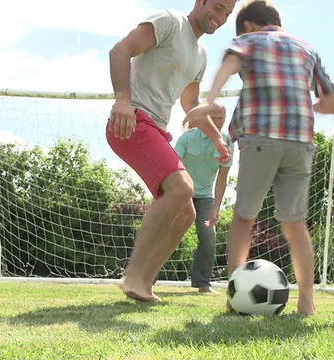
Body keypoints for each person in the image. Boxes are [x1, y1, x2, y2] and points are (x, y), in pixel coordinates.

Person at [185, 0, 334, 315]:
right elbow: (332, 102)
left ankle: (234, 298)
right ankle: (307, 302)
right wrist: (305, 108)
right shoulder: (307, 49)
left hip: (261, 138)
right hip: (300, 143)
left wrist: (210, 102)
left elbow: (227, 68)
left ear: (249, 26)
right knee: (295, 223)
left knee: (244, 217)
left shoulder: (248, 41)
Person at [106, 0, 237, 302]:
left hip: (157, 130)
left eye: (227, 14)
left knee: (186, 212)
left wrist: (217, 140)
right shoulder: (168, 22)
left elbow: (190, 105)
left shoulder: (200, 56)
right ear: (200, 2)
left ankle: (144, 283)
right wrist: (122, 100)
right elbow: (120, 50)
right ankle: (134, 274)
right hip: (132, 119)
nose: (220, 17)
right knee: (182, 187)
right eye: (217, 7)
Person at [174, 111, 234, 294]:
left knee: (209, 236)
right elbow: (173, 168)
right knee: (165, 232)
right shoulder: (186, 138)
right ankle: (146, 279)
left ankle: (203, 283)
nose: (217, 121)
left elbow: (222, 177)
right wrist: (181, 195)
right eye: (213, 117)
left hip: (205, 196)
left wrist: (216, 207)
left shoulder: (227, 143)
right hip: (180, 192)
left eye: (221, 118)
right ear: (204, 119)